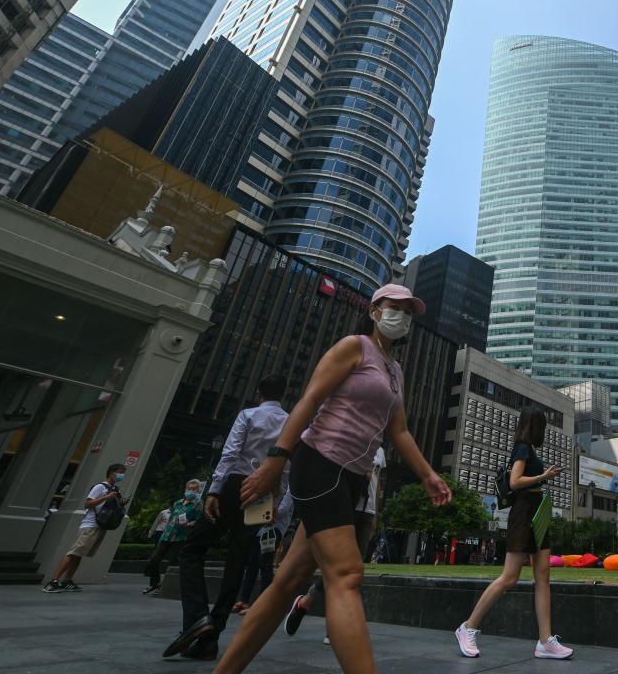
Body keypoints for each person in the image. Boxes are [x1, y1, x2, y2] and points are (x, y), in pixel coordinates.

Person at [211, 284, 451, 674]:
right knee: (346, 573)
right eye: (395, 307)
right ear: (375, 310)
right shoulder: (353, 346)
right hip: (319, 463)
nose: (402, 316)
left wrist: (428, 475)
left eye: (409, 312)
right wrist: (276, 460)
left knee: (288, 583)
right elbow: (309, 400)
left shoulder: (395, 370)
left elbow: (399, 430)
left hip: (351, 478)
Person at [162, 374, 291, 661]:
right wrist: (275, 502)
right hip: (264, 493)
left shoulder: (248, 414)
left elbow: (230, 451)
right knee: (238, 558)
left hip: (236, 484)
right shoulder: (289, 421)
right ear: (282, 395)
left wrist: (214, 490)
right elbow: (285, 467)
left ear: (259, 393)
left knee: (192, 550)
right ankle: (212, 636)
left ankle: (197, 618)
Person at [456, 406, 572, 661]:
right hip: (523, 513)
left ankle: (545, 641)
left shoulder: (528, 450)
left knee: (543, 576)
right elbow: (514, 482)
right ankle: (468, 627)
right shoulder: (521, 448)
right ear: (536, 426)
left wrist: (543, 478)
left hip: (537, 511)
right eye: (543, 427)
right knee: (509, 577)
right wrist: (544, 475)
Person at [284, 447, 385, 644]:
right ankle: (335, 627)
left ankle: (306, 601)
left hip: (367, 511)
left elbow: (377, 481)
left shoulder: (379, 449)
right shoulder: (352, 439)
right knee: (338, 569)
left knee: (354, 571)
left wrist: (376, 514)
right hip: (344, 505)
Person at [43, 463, 129, 593]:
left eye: (124, 472)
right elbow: (88, 503)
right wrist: (106, 496)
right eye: (120, 472)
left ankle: (67, 581)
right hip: (90, 525)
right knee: (73, 553)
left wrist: (122, 502)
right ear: (112, 472)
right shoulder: (100, 487)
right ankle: (53, 582)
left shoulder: (115, 489)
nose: (122, 475)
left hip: (100, 526)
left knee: (78, 555)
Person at [233, 492, 293, 612]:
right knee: (251, 563)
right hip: (259, 527)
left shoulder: (289, 486)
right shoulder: (271, 484)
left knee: (265, 563)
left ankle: (263, 604)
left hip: (274, 528)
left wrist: (264, 513)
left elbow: (283, 509)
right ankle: (243, 600)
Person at [143, 478, 204, 595]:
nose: (191, 491)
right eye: (189, 488)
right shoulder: (178, 503)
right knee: (154, 559)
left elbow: (200, 520)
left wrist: (191, 523)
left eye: (194, 489)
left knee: (172, 563)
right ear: (185, 489)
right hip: (167, 535)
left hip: (181, 537)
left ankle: (163, 585)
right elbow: (171, 518)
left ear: (198, 491)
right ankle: (154, 583)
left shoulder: (198, 504)